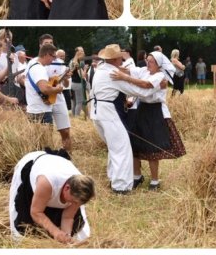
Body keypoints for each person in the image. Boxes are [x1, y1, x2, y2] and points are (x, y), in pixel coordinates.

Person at [89, 44, 163, 193]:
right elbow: (139, 91)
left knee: (113, 146)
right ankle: (121, 186)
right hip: (109, 113)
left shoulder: (100, 70)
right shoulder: (113, 74)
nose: (122, 60)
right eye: (120, 58)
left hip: (97, 113)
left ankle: (113, 177)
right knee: (122, 148)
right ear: (115, 59)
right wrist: (156, 85)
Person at [113, 51, 186, 191]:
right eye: (147, 60)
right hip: (141, 110)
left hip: (155, 112)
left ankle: (154, 180)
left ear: (158, 64)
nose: (148, 63)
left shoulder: (160, 76)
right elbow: (127, 69)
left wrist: (125, 78)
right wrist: (111, 65)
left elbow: (146, 85)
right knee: (134, 145)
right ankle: (137, 176)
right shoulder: (143, 70)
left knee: (152, 147)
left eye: (151, 61)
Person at [9, 150, 94, 243]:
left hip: (56, 165)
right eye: (73, 201)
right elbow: (36, 212)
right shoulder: (46, 183)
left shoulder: (79, 189)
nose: (75, 205)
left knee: (78, 234)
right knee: (22, 232)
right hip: (34, 165)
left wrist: (66, 237)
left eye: (78, 203)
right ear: (67, 188)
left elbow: (68, 217)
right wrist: (56, 232)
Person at [68, 47, 87, 117]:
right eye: (82, 51)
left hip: (72, 84)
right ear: (77, 52)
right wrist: (85, 69)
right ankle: (76, 117)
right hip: (78, 84)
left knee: (74, 102)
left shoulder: (71, 61)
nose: (83, 52)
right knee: (79, 102)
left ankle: (73, 117)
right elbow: (82, 76)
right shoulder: (78, 62)